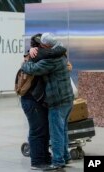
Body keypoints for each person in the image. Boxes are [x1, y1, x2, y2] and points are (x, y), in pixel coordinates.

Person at [21, 32, 74, 170]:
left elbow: (31, 68)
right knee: (62, 130)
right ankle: (66, 157)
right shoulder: (61, 51)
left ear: (46, 46)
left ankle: (58, 162)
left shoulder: (50, 59)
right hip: (68, 99)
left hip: (57, 101)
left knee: (56, 132)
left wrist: (25, 62)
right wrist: (29, 51)